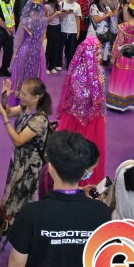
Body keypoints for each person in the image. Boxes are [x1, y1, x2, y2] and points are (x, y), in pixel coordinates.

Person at [6, 131, 110, 267]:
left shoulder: (31, 213)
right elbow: (99, 258)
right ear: (84, 171)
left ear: (51, 168)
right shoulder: (101, 212)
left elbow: (17, 260)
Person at [0, 78, 51, 241]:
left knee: (21, 197)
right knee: (12, 191)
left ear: (36, 97)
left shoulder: (40, 119)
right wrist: (4, 96)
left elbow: (18, 140)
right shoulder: (26, 107)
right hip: (18, 160)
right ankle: (8, 224)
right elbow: (8, 111)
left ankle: (17, 230)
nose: (19, 96)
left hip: (29, 166)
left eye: (24, 94)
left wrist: (5, 121)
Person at [54, 35, 106, 185]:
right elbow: (79, 98)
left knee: (91, 152)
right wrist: (94, 86)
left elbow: (102, 97)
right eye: (96, 53)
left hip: (94, 118)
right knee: (75, 150)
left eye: (100, 53)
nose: (99, 57)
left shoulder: (100, 71)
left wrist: (103, 114)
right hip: (77, 119)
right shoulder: (78, 73)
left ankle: (86, 182)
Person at [107, 0, 134, 111]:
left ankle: (116, 102)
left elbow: (119, 43)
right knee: (131, 79)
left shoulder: (123, 27)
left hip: (123, 56)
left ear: (128, 13)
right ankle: (128, 103)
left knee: (120, 78)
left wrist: (113, 56)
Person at [9, 0, 47, 97]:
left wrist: (14, 53)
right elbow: (42, 37)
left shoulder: (25, 20)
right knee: (36, 75)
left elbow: (19, 38)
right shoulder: (44, 20)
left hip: (25, 50)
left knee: (22, 74)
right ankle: (34, 98)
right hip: (38, 50)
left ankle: (20, 97)